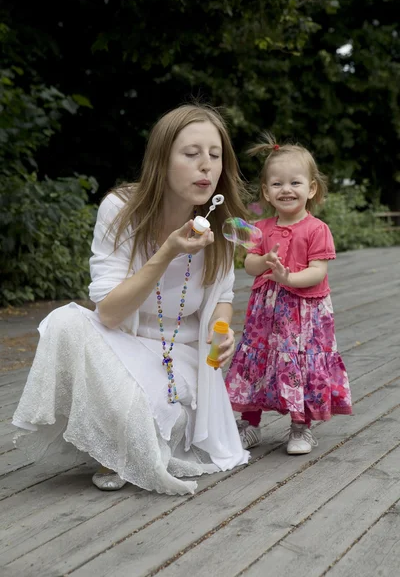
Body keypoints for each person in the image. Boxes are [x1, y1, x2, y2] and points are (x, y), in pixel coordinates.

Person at [12, 103, 250, 495]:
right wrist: (167, 252)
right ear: (161, 160)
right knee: (65, 321)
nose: (206, 165)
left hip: (180, 358)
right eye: (191, 154)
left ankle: (125, 443)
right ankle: (119, 445)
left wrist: (221, 333)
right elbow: (107, 313)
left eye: (215, 155)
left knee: (152, 419)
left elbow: (221, 298)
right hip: (120, 345)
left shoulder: (219, 226)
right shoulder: (121, 210)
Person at [225, 134, 352, 454]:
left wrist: (288, 277)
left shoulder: (316, 229)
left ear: (311, 189)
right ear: (266, 192)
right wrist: (264, 261)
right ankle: (249, 424)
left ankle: (300, 427)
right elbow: (250, 264)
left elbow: (318, 270)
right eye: (277, 184)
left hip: (304, 314)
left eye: (295, 183)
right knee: (258, 361)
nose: (286, 190)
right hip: (266, 315)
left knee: (300, 364)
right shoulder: (261, 228)